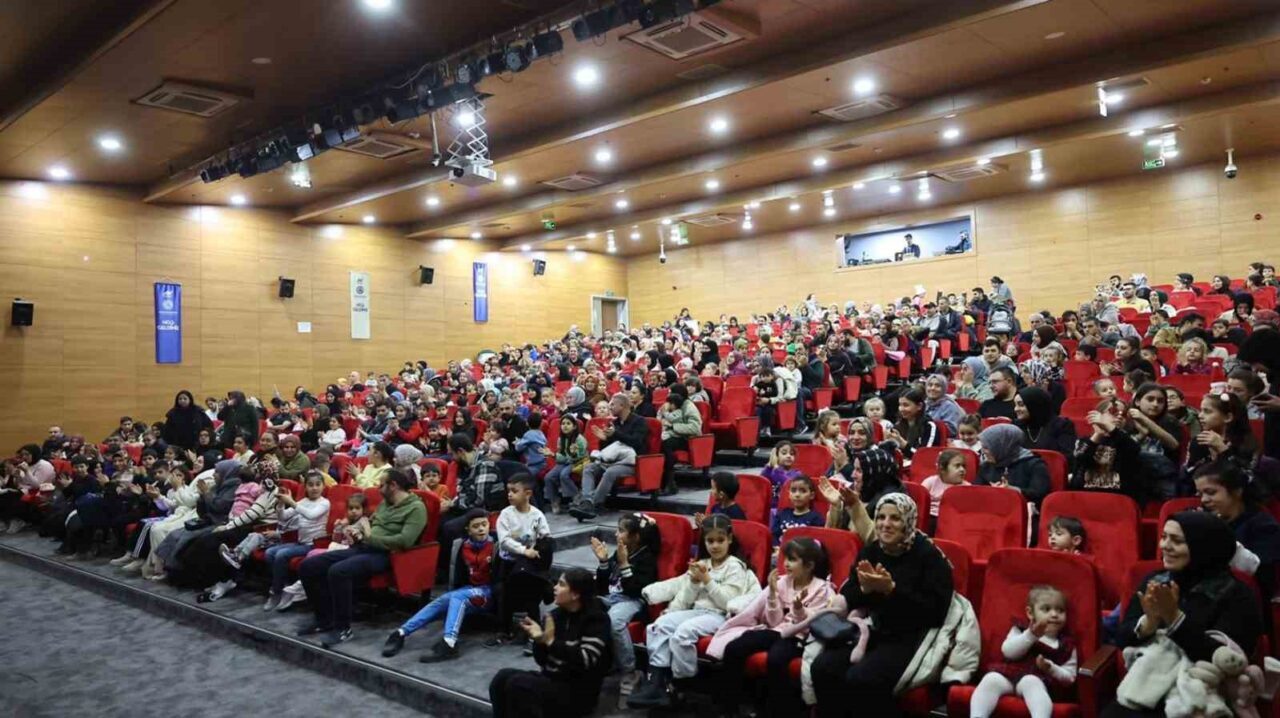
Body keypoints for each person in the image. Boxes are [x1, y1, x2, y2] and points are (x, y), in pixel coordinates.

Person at [1103, 512, 1262, 717]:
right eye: (1164, 537)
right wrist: (1149, 622)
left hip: (1206, 694)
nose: (1165, 546)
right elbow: (1122, 637)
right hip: (1146, 685)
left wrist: (1174, 619)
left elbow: (1229, 659)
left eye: (1177, 541)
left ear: (1203, 547)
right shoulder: (1156, 580)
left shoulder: (1237, 594)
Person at [809, 493, 953, 717]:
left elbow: (935, 613)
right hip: (871, 627)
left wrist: (891, 590)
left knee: (861, 679)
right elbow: (851, 592)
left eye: (895, 518)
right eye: (881, 517)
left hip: (911, 636)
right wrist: (864, 590)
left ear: (908, 521)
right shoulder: (873, 550)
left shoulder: (929, 556)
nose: (886, 524)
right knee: (823, 667)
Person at [628, 514, 761, 708]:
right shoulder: (703, 563)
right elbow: (687, 597)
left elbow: (727, 602)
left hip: (720, 616)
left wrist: (707, 581)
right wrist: (692, 583)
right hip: (697, 611)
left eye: (720, 540)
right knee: (658, 626)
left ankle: (681, 683)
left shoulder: (735, 566)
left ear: (730, 539)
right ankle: (656, 683)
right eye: (710, 541)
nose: (715, 546)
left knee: (683, 633)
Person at [297, 469, 426, 648]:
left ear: (393, 486)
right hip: (364, 547)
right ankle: (324, 620)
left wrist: (369, 537)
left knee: (338, 571)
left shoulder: (417, 508)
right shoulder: (386, 503)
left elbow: (405, 541)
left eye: (382, 485)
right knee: (309, 566)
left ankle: (343, 629)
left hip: (388, 555)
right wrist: (356, 530)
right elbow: (371, 523)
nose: (378, 488)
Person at [709, 538, 835, 718]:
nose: (786, 564)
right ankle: (729, 707)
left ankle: (778, 711)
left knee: (776, 659)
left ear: (809, 566)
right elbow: (774, 621)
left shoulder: (822, 589)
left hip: (799, 636)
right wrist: (773, 594)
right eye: (786, 558)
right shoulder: (782, 582)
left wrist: (799, 609)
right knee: (735, 647)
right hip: (778, 631)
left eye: (792, 560)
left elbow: (813, 624)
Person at [488, 568, 612, 718]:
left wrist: (551, 642)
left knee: (519, 685)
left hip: (578, 691)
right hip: (552, 680)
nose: (555, 588)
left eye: (561, 584)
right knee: (501, 679)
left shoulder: (596, 619)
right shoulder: (555, 616)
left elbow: (586, 660)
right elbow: (542, 661)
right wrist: (539, 641)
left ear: (575, 594)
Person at [383, 508, 495, 663]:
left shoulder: (496, 544)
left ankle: (449, 643)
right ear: (468, 530)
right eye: (476, 526)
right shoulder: (461, 546)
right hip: (469, 589)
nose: (481, 529)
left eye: (484, 524)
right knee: (443, 599)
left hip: (488, 591)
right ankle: (401, 632)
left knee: (458, 597)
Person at [969, 585, 1078, 718]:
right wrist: (1030, 635)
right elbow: (1008, 651)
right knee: (990, 679)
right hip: (1008, 675)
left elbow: (1070, 677)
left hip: (1039, 681)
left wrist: (1051, 668)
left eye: (1060, 610)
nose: (1054, 614)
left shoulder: (1066, 645)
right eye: (1046, 609)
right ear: (1030, 613)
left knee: (1030, 682)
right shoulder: (1021, 630)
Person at [593, 512, 660, 697]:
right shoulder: (620, 551)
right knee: (585, 606)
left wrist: (624, 565)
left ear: (636, 536)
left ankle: (630, 672)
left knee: (615, 622)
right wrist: (604, 561)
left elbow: (635, 590)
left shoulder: (646, 558)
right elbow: (603, 586)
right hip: (611, 597)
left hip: (633, 600)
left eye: (621, 530)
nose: (616, 534)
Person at [1193, 458, 1280, 596]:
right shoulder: (1206, 519)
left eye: (1211, 492)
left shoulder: (1263, 526)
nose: (1204, 500)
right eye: (1200, 494)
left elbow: (1261, 576)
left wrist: (1216, 535)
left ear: (1237, 491)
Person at [491, 475, 554, 646]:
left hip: (528, 564)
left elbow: (545, 536)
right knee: (505, 596)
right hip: (508, 562)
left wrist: (540, 550)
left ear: (528, 493)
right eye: (508, 491)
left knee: (531, 595)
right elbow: (504, 541)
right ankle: (504, 630)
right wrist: (524, 550)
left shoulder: (537, 515)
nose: (510, 494)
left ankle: (533, 632)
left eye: (514, 491)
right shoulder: (506, 514)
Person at [571, 393, 649, 519]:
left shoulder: (639, 421)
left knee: (610, 472)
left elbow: (637, 442)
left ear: (622, 406)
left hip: (631, 462)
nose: (610, 407)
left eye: (612, 404)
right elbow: (607, 449)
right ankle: (587, 500)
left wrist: (616, 434)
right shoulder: (614, 423)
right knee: (589, 468)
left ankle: (593, 504)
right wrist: (603, 439)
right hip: (612, 460)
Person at [975, 424, 1051, 506]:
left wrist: (1014, 490)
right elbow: (977, 492)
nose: (983, 452)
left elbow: (1040, 494)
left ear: (1002, 446)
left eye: (986, 448)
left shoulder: (1034, 465)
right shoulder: (986, 466)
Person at [658, 385, 702, 495]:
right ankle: (656, 483)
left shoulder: (689, 407)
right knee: (658, 442)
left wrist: (673, 426)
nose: (668, 395)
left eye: (670, 393)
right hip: (671, 435)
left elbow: (695, 428)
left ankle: (670, 484)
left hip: (687, 439)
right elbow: (660, 417)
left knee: (666, 444)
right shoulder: (669, 404)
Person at [1015, 387, 1077, 463]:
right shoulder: (1016, 426)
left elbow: (1066, 458)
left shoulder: (1062, 425)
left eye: (1021, 405)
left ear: (1034, 405)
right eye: (1015, 405)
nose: (1016, 409)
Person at [544, 415, 587, 512]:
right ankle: (554, 500)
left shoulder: (579, 439)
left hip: (577, 462)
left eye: (568, 423)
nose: (565, 426)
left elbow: (579, 456)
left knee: (564, 474)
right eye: (563, 424)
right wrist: (553, 455)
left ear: (574, 426)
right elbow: (561, 456)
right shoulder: (561, 439)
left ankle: (577, 496)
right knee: (548, 477)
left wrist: (572, 454)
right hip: (564, 462)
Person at [885, 387, 940, 459]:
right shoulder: (897, 425)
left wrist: (904, 445)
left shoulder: (929, 426)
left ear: (919, 406)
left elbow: (924, 456)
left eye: (906, 405)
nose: (901, 409)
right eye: (900, 405)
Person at [772, 475, 825, 545]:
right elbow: (774, 536)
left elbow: (817, 544)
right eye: (793, 491)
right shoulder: (782, 514)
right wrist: (776, 547)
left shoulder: (816, 519)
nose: (797, 495)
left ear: (811, 495)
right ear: (789, 494)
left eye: (803, 491)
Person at [921, 449, 970, 519]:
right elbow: (920, 502)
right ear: (942, 469)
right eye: (957, 466)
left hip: (953, 519)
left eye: (964, 466)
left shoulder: (967, 487)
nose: (962, 469)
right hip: (930, 517)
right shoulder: (930, 482)